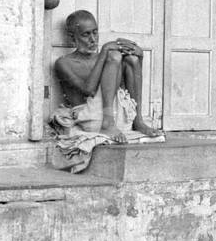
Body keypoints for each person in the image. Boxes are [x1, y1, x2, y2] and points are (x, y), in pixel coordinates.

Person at [54, 10, 157, 144]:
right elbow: (89, 90)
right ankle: (108, 123)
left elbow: (130, 77)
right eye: (86, 34)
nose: (93, 39)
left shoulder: (106, 60)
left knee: (132, 59)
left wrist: (139, 55)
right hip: (90, 119)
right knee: (114, 56)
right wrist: (104, 50)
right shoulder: (63, 62)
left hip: (118, 117)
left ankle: (138, 120)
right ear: (72, 38)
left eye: (95, 32)